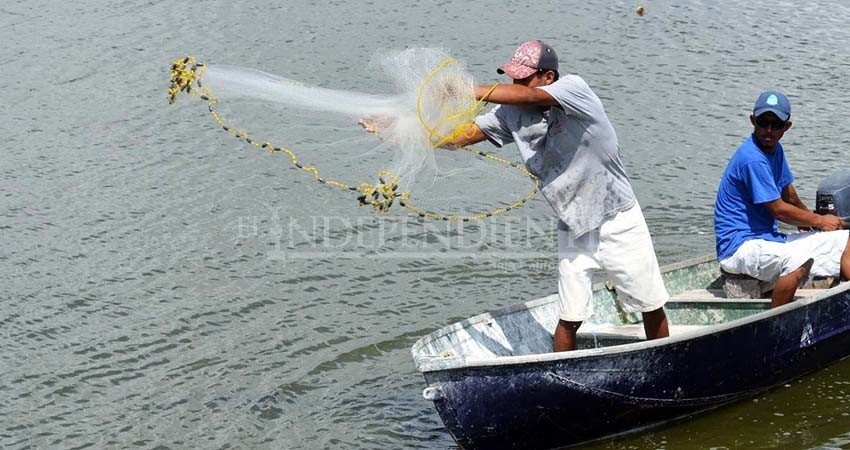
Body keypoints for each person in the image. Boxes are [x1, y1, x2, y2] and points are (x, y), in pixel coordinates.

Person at [362, 40, 670, 351]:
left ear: (548, 77)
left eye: (523, 77)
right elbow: (461, 136)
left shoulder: (575, 90)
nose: (516, 84)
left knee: (649, 303)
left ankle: (664, 362)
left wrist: (465, 89)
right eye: (514, 78)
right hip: (573, 223)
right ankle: (559, 374)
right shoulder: (512, 113)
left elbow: (531, 95)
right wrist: (400, 130)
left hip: (617, 216)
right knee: (569, 315)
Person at [714, 90, 850, 308]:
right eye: (763, 122)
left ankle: (843, 308)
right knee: (798, 262)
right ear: (752, 121)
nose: (769, 130)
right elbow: (778, 209)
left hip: (769, 238)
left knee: (846, 240)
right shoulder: (751, 158)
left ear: (786, 127)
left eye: (776, 124)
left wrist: (810, 220)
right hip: (739, 246)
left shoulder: (775, 151)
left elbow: (789, 195)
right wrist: (820, 221)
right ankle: (775, 324)